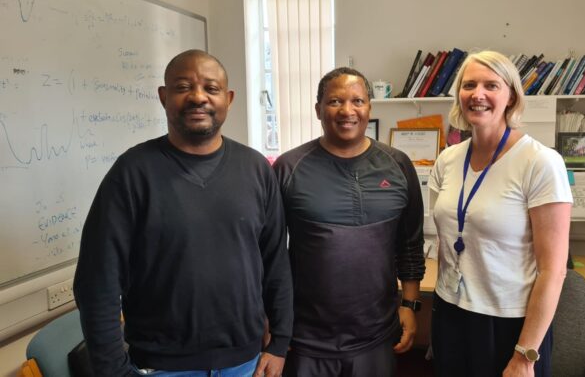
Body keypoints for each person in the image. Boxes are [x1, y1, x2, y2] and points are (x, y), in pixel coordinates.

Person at [74, 49, 293, 376]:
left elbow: (275, 261)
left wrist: (279, 343)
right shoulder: (132, 173)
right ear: (163, 97)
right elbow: (97, 283)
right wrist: (113, 371)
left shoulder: (256, 169)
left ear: (229, 99)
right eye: (182, 87)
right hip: (161, 366)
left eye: (211, 88)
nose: (198, 97)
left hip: (245, 363)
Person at [272, 67, 426, 376]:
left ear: (370, 107)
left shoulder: (397, 165)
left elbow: (410, 243)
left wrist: (409, 305)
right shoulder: (289, 168)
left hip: (376, 336)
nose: (347, 111)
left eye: (357, 101)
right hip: (306, 339)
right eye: (334, 102)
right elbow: (270, 253)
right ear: (318, 110)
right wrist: (275, 324)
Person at [428, 51, 573, 377]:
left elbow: (554, 271)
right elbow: (447, 240)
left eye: (491, 85)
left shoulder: (540, 162)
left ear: (510, 97)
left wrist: (525, 355)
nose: (477, 94)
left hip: (508, 324)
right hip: (451, 311)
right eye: (469, 85)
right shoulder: (448, 160)